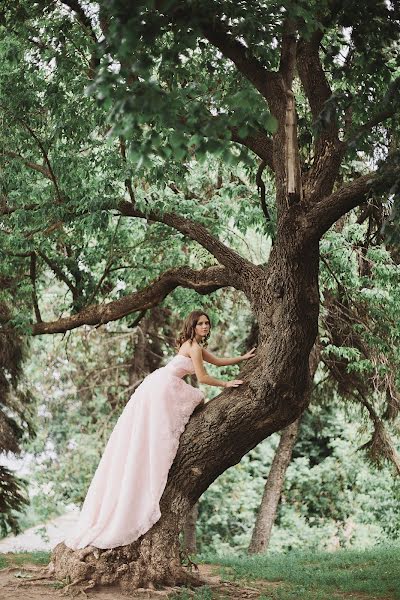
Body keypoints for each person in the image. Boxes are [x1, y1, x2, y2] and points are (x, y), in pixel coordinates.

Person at [64, 310, 256, 551]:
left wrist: (243, 358)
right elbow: (204, 377)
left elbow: (216, 361)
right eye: (201, 324)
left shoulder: (193, 344)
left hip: (161, 382)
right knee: (194, 398)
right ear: (193, 326)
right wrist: (226, 384)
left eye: (207, 323)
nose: (205, 327)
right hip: (165, 386)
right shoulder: (193, 347)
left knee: (190, 402)